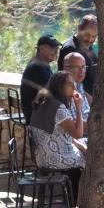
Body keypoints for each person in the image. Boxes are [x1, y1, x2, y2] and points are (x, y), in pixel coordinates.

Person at [29, 70, 86, 200]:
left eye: (74, 84)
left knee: (85, 148)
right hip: (55, 158)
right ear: (60, 87)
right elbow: (78, 133)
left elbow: (65, 135)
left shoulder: (44, 102)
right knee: (92, 157)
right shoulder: (58, 107)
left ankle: (76, 197)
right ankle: (79, 200)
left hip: (43, 156)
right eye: (70, 84)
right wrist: (78, 107)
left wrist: (82, 147)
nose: (74, 87)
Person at [58, 14, 98, 99]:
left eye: (94, 36)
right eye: (87, 34)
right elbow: (65, 81)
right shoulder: (70, 48)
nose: (90, 39)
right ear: (79, 28)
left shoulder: (87, 45)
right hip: (80, 101)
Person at [20, 34, 60, 119]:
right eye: (53, 49)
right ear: (41, 49)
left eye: (57, 48)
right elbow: (50, 93)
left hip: (35, 112)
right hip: (35, 116)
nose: (56, 52)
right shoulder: (38, 67)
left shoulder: (41, 64)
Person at [63, 51, 91, 128]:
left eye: (83, 67)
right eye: (76, 67)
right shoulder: (64, 91)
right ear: (66, 69)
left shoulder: (79, 85)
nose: (81, 71)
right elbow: (73, 124)